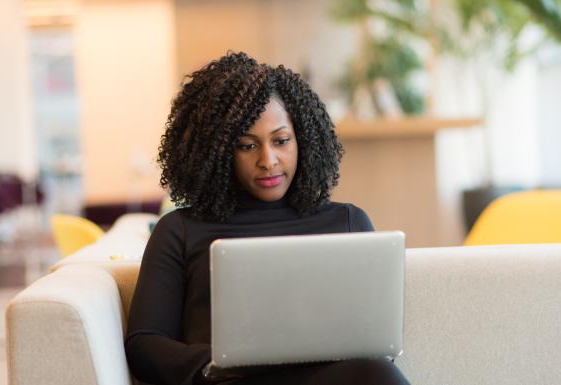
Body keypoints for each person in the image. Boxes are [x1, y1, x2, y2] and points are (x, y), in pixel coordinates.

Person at [125, 52, 410, 385]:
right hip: (229, 382)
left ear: (303, 140)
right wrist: (219, 363)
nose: (268, 160)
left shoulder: (348, 222)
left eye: (281, 141)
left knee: (379, 373)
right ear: (218, 151)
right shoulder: (180, 230)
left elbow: (371, 338)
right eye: (247, 145)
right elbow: (144, 345)